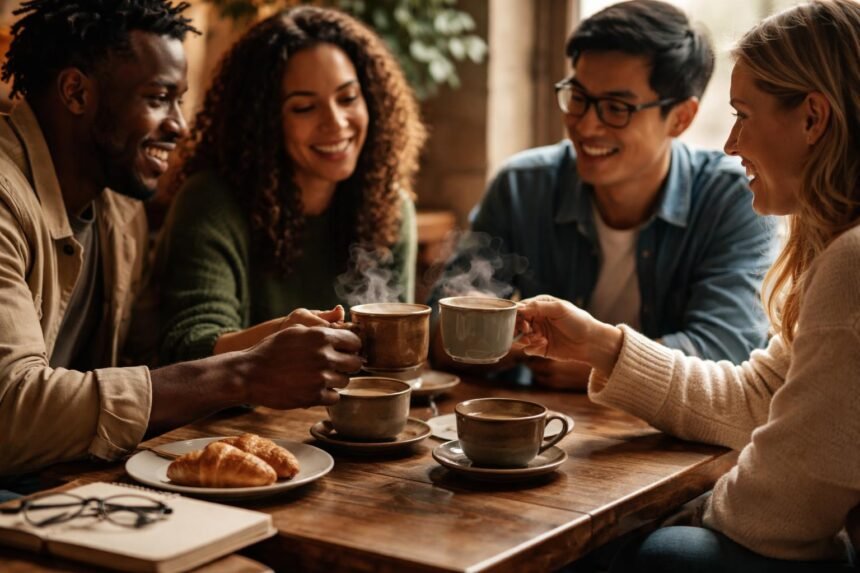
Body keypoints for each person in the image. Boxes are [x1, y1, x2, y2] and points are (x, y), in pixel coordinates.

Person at [516, 0, 860, 569]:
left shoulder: (852, 264)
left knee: (669, 554)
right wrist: (603, 346)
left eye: (743, 115)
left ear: (813, 118)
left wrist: (661, 519)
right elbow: (758, 398)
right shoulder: (837, 251)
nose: (730, 144)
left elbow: (779, 513)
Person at [0, 0, 362, 483]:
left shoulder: (119, 208)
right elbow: (11, 410)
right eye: (158, 98)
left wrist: (273, 340)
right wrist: (246, 373)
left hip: (72, 486)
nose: (180, 125)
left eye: (180, 99)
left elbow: (152, 364)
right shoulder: (6, 200)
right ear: (75, 92)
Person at [430, 0, 776, 391]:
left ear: (681, 117)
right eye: (578, 98)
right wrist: (530, 346)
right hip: (542, 430)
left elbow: (726, 350)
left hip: (671, 444)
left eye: (616, 108)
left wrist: (595, 358)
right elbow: (442, 330)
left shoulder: (734, 198)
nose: (586, 125)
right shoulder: (522, 186)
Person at [150, 6, 426, 365]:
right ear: (263, 122)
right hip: (235, 419)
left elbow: (393, 352)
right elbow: (189, 346)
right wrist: (280, 338)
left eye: (347, 98)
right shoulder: (211, 201)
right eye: (304, 108)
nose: (336, 122)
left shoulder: (388, 205)